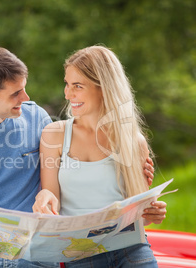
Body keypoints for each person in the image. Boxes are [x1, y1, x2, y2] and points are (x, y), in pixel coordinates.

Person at [0, 46, 159, 268]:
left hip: (35, 254)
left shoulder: (36, 117)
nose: (26, 97)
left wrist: (133, 173)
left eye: (24, 88)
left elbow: (67, 165)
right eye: (15, 93)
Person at [32, 45, 167, 267]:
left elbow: (141, 218)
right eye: (67, 84)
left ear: (103, 88)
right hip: (81, 253)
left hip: (131, 250)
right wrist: (43, 198)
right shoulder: (54, 135)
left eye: (78, 86)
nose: (68, 94)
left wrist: (152, 213)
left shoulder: (133, 141)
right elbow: (51, 198)